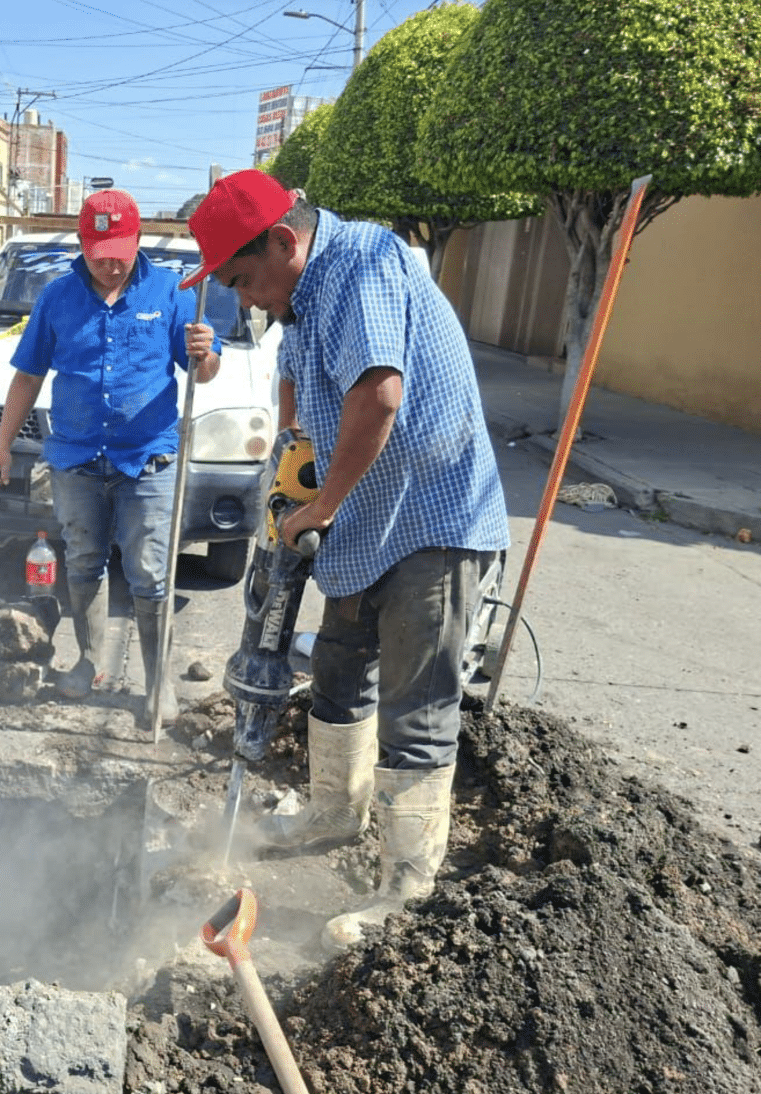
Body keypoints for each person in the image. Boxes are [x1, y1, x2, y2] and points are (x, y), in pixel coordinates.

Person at [182, 170, 510, 952]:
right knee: (337, 666)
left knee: (415, 699)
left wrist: (320, 505)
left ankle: (408, 882)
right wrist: (292, 460)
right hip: (368, 519)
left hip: (434, 519)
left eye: (244, 280)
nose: (246, 300)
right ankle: (336, 811)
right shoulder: (301, 295)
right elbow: (297, 380)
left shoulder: (364, 266)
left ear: (285, 243)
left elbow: (380, 395)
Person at [0, 189, 221, 725]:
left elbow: (201, 374)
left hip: (148, 460)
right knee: (84, 560)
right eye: (98, 253)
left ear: (137, 241)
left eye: (119, 250)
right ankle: (89, 662)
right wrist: (3, 446)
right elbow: (28, 375)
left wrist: (204, 355)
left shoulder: (172, 291)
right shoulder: (58, 297)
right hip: (77, 458)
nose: (110, 263)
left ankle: (158, 681)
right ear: (83, 245)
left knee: (150, 573)